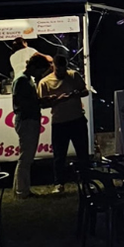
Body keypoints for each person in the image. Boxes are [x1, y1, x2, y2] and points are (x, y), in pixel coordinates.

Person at [40, 47, 91, 189]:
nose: (62, 73)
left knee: (83, 153)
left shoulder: (74, 76)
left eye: (64, 69)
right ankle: (59, 183)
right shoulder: (45, 82)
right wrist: (58, 100)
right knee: (59, 155)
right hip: (59, 122)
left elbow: (85, 91)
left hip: (77, 120)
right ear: (53, 67)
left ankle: (86, 181)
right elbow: (42, 104)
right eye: (58, 70)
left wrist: (76, 94)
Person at [12, 52, 46, 198]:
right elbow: (24, 103)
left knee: (25, 156)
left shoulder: (24, 78)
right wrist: (41, 102)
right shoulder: (23, 81)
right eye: (40, 70)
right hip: (27, 120)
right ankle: (22, 190)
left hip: (27, 119)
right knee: (26, 157)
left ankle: (20, 188)